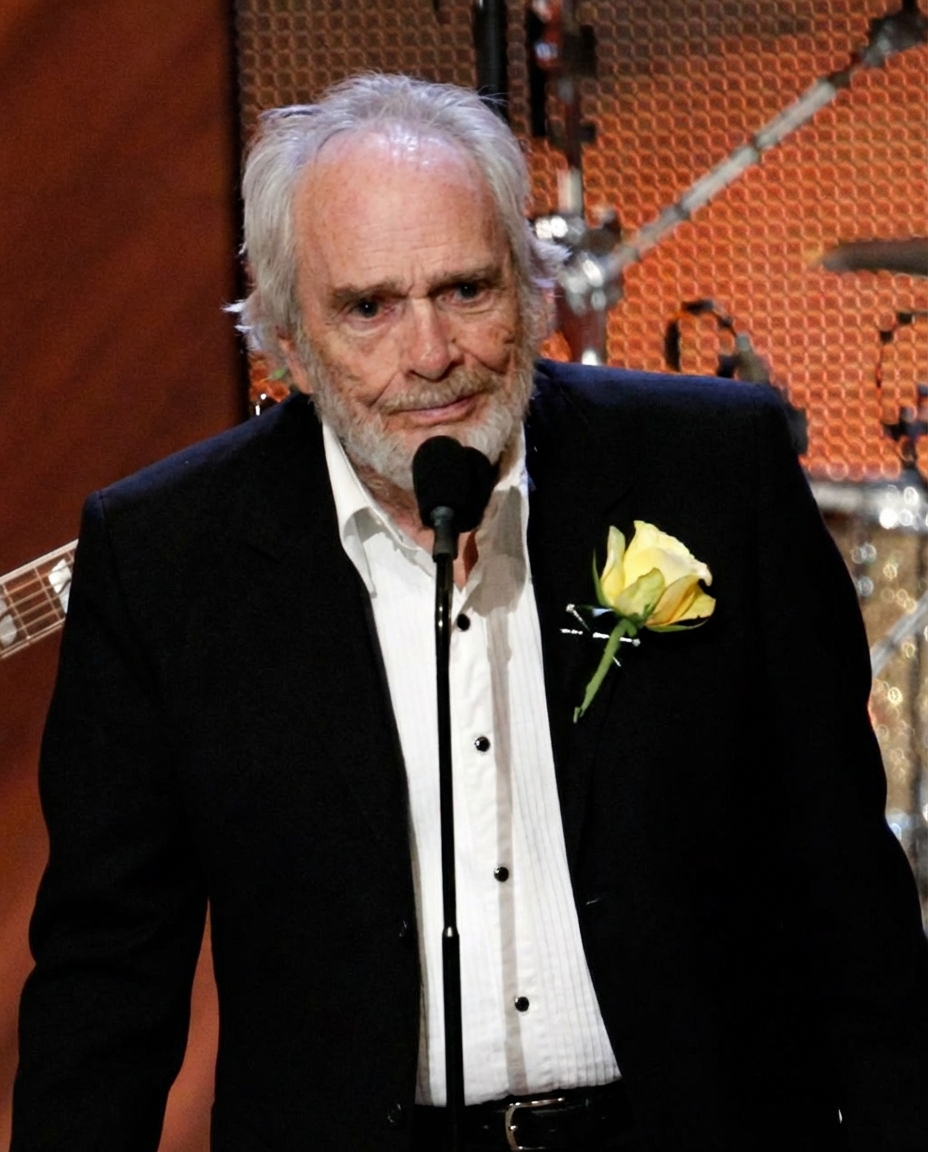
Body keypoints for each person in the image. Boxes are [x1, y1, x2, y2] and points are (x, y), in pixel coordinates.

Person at [11, 73, 928, 1152]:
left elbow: (850, 896)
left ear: (531, 294)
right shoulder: (166, 557)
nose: (432, 355)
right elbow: (106, 984)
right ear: (287, 339)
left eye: (466, 290)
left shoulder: (714, 471)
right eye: (369, 308)